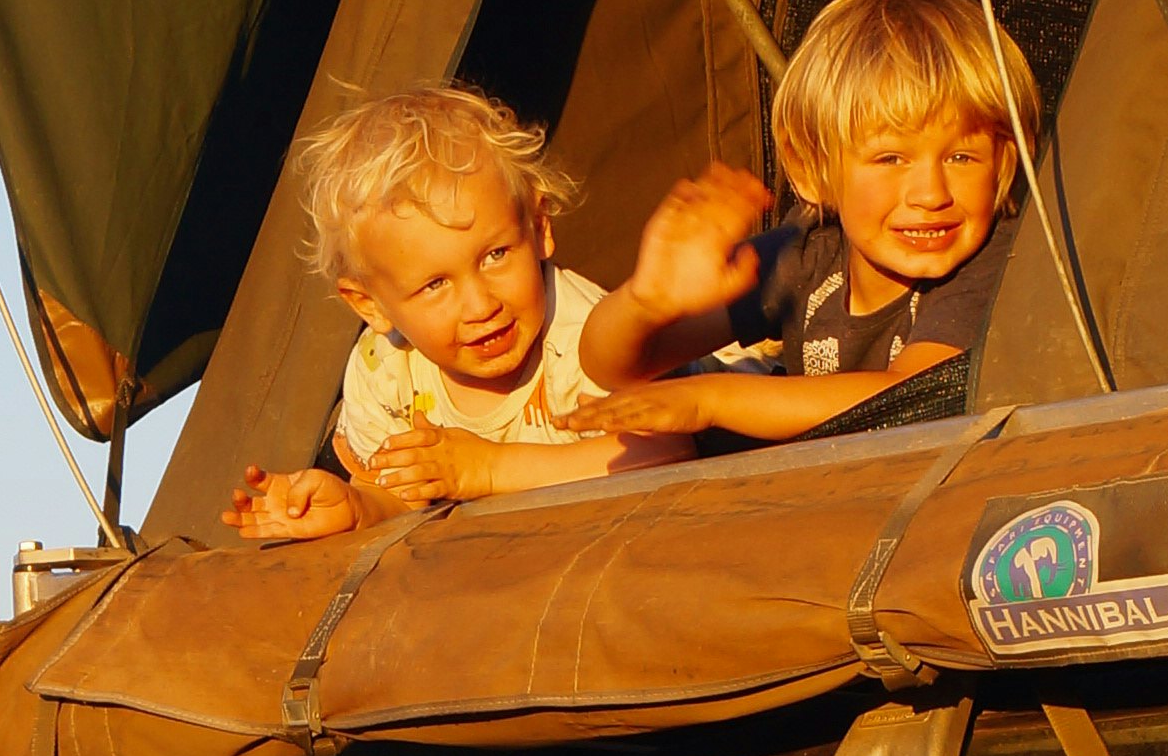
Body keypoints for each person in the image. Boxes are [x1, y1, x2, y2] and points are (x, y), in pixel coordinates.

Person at [225, 84, 769, 545]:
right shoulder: (383, 372)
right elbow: (405, 495)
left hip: (746, 426)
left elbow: (667, 451)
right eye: (435, 284)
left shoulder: (578, 336)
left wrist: (485, 470)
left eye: (495, 256)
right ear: (371, 305)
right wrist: (356, 506)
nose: (481, 305)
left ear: (538, 227)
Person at [579, 0, 1038, 452]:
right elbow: (613, 366)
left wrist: (709, 399)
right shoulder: (809, 250)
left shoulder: (995, 263)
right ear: (810, 170)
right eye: (890, 159)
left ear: (1006, 161)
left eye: (960, 158)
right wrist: (645, 304)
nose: (930, 194)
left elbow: (912, 393)